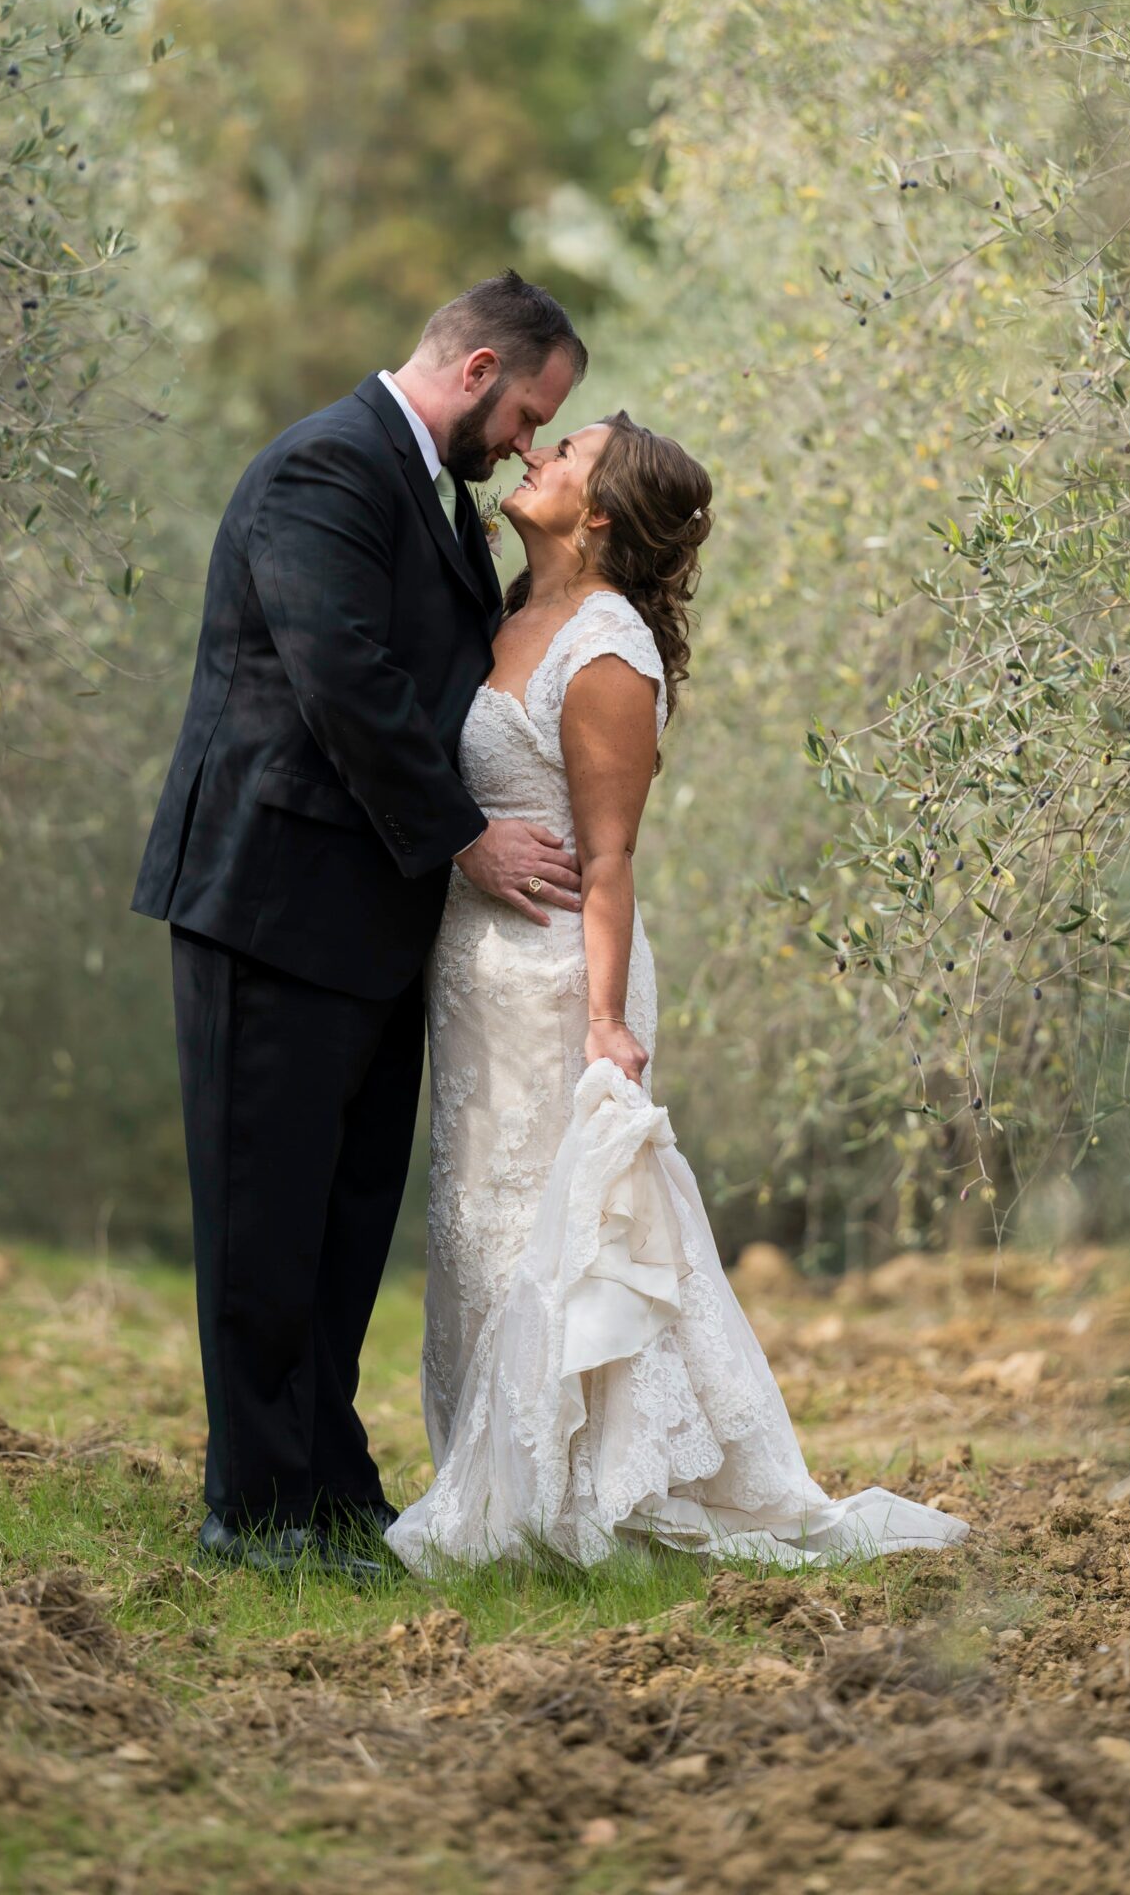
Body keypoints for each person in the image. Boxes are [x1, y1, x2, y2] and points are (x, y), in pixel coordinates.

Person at [387, 412, 970, 1569]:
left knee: (567, 1222)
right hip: (476, 978)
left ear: (598, 512)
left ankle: (590, 1493)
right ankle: (500, 1476)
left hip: (560, 978)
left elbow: (609, 859)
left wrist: (606, 1024)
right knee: (479, 1219)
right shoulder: (511, 611)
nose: (536, 454)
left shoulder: (603, 648)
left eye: (567, 455)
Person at [131, 272, 588, 1577]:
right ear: (477, 366)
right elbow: (345, 674)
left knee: (339, 1228)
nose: (520, 444)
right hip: (269, 902)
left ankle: (327, 1488)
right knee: (262, 1222)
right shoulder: (323, 470)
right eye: (524, 415)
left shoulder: (432, 493)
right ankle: (250, 1506)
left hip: (370, 921)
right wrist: (463, 832)